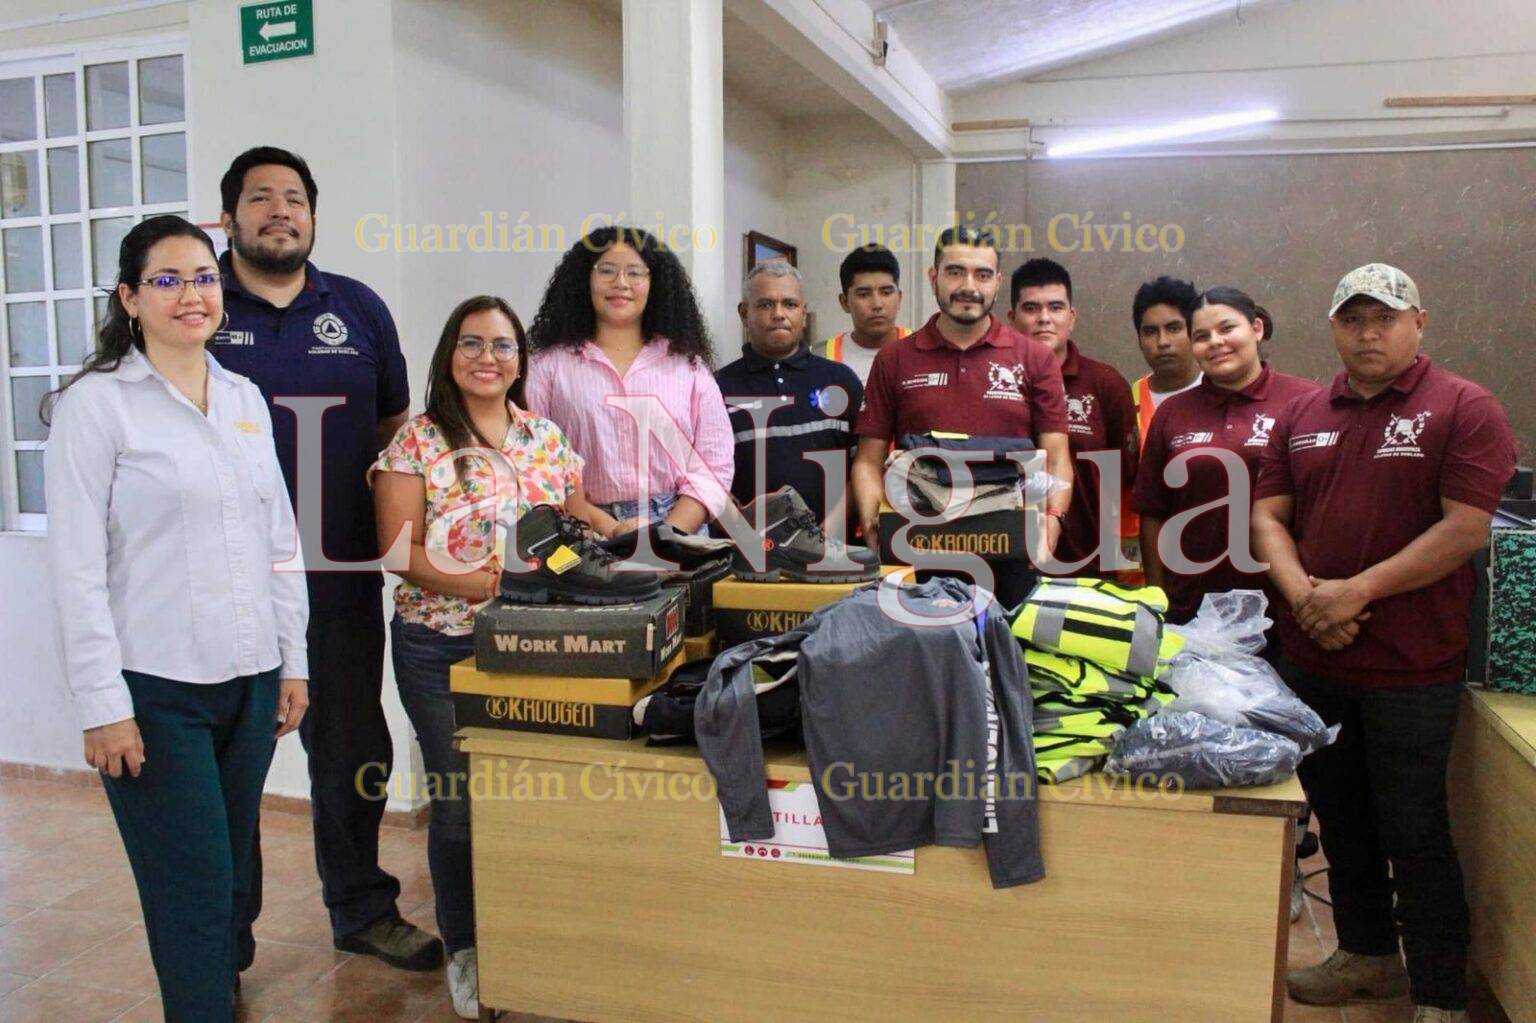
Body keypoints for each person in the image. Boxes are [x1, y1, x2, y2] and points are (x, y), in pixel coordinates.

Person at [43, 215, 309, 1022]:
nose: (190, 294)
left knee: (234, 876)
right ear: (129, 298)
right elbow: (76, 570)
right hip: (155, 691)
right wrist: (102, 705)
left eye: (202, 277)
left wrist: (292, 659)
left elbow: (279, 538)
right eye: (167, 280)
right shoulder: (97, 407)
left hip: (251, 675)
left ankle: (214, 992)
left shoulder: (241, 397)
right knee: (190, 882)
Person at [1253, 264, 1517, 1023]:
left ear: (1419, 323)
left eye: (1385, 318)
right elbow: (1269, 515)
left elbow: (1465, 528)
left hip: (1412, 667)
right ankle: (1368, 957)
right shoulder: (1305, 411)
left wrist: (1354, 591)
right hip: (1316, 658)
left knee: (1416, 826)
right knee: (1342, 817)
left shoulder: (1464, 407)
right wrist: (1306, 595)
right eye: (1353, 319)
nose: (1368, 333)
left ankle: (1438, 992)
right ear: (1333, 325)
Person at [210, 147, 433, 971]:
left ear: (314, 214)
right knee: (233, 763)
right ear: (227, 214)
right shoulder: (199, 306)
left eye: (295, 198)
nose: (279, 210)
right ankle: (225, 940)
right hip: (228, 581)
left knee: (352, 750)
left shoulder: (359, 309)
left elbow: (392, 431)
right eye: (260, 197)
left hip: (337, 575)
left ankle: (363, 909)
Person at [372, 295, 612, 1018]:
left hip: (536, 641)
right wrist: (490, 580)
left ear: (520, 360)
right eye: (472, 343)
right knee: (459, 802)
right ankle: (469, 947)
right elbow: (396, 552)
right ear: (450, 354)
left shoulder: (542, 435)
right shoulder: (417, 442)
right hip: (439, 644)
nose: (488, 357)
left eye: (503, 345)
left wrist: (634, 535)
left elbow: (577, 518)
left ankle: (532, 937)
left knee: (532, 794)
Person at [852, 225, 1072, 606]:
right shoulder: (895, 359)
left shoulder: (1035, 359)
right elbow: (867, 461)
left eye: (982, 275)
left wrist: (1051, 523)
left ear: (997, 282)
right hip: (918, 555)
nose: (969, 286)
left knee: (1008, 661)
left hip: (1010, 553)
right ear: (934, 277)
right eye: (955, 272)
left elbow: (1056, 458)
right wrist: (875, 525)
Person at [525, 226, 733, 534]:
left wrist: (669, 535)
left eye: (635, 273)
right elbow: (536, 462)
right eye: (606, 270)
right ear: (585, 278)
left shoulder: (688, 367)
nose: (620, 283)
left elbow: (714, 466)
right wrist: (607, 528)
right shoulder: (547, 367)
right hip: (581, 527)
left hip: (678, 524)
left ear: (655, 284)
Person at [1133, 286, 1317, 623]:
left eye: (1227, 328)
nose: (1215, 342)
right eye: (1201, 335)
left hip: (1286, 607)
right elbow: (1154, 512)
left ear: (1256, 328)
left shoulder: (1306, 402)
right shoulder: (1173, 413)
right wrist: (1158, 602)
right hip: (1194, 611)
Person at [1007, 257, 1137, 574]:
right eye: (1031, 308)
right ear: (1011, 318)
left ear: (1072, 317)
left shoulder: (1106, 385)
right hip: (1008, 561)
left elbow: (1127, 474)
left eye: (1055, 308)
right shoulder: (996, 383)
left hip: (1087, 564)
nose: (1044, 319)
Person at [716, 260, 863, 527]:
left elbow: (863, 469)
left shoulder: (842, 381)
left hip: (835, 549)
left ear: (804, 313)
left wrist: (826, 536)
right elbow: (708, 480)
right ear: (743, 313)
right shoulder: (716, 389)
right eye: (765, 304)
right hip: (748, 555)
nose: (779, 314)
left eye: (790, 304)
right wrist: (747, 539)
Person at [818, 244, 909, 382]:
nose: (877, 304)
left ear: (899, 297)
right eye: (864, 294)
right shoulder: (819, 357)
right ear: (844, 302)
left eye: (886, 293)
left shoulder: (925, 350)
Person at [1129, 276, 1202, 446]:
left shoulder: (1222, 391)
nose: (1162, 341)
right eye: (1150, 331)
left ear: (1195, 332)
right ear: (1139, 339)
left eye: (1174, 328)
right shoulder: (1127, 401)